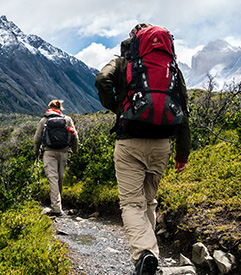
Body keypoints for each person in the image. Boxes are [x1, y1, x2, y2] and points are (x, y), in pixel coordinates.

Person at [95, 23, 191, 275]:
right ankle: (150, 258)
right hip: (163, 144)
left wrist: (118, 107)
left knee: (131, 204)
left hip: (130, 141)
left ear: (134, 40)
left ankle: (144, 254)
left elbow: (101, 79)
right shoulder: (172, 67)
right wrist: (183, 153)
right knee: (149, 201)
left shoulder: (125, 61)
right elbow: (183, 108)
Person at [33, 100, 79, 217]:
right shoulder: (67, 119)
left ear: (49, 108)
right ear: (60, 108)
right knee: (60, 178)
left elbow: (37, 139)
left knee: (52, 178)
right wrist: (74, 150)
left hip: (49, 152)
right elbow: (75, 136)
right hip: (64, 152)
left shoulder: (44, 120)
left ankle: (57, 209)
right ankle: (58, 205)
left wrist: (36, 152)